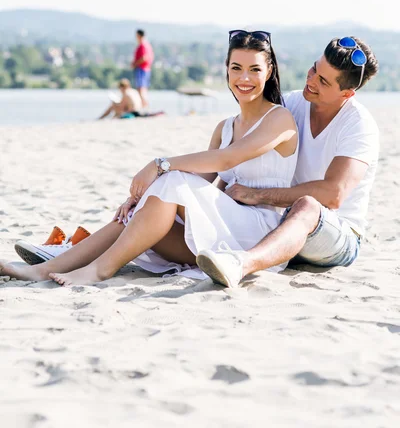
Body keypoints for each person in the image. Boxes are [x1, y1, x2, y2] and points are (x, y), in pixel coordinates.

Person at [1, 30, 298, 286]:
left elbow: (225, 160)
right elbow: (201, 184)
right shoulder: (225, 127)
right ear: (227, 70)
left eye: (255, 69)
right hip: (221, 234)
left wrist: (159, 165)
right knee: (148, 201)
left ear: (269, 71)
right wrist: (145, 196)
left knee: (172, 177)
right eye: (236, 68)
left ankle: (98, 270)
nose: (244, 78)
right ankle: (43, 270)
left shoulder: (279, 119)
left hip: (259, 237)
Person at [196, 36, 380, 288]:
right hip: (281, 226)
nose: (311, 80)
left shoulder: (359, 125)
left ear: (346, 93)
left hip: (337, 236)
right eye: (315, 68)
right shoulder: (290, 104)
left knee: (308, 205)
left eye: (323, 81)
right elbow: (237, 150)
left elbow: (333, 195)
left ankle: (240, 264)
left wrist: (259, 195)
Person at [131, 29, 154, 109]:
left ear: (139, 36)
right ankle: (144, 106)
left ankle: (144, 106)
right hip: (146, 69)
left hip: (142, 69)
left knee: (141, 88)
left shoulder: (143, 45)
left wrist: (135, 64)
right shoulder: (148, 45)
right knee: (143, 88)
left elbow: (144, 57)